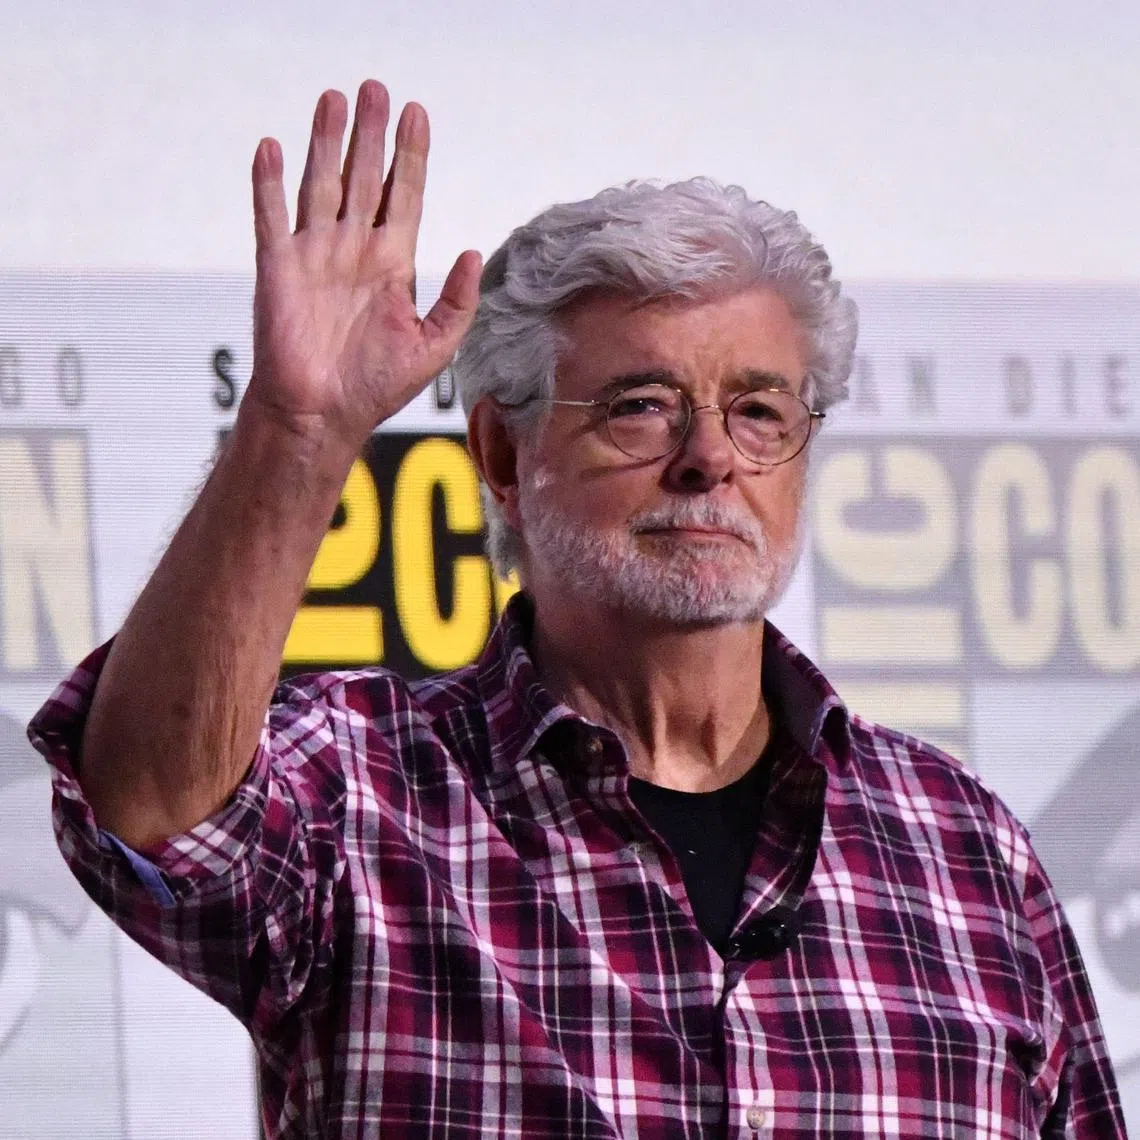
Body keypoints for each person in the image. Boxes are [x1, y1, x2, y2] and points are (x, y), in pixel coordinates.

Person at [28, 79, 1126, 1139]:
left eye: (757, 410)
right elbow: (151, 804)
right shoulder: (363, 796)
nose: (709, 460)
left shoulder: (964, 848)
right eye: (642, 406)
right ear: (505, 453)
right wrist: (297, 430)